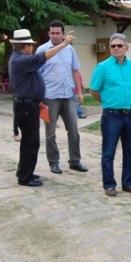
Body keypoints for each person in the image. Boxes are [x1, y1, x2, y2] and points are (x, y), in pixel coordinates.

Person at [9, 28, 75, 187]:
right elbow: (43, 57)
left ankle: (24, 171)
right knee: (31, 143)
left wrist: (38, 100)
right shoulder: (21, 60)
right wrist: (64, 44)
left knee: (29, 142)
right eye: (30, 45)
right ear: (24, 46)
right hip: (26, 106)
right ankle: (25, 177)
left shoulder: (21, 59)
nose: (32, 47)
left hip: (29, 104)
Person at [90, 33, 131, 197]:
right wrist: (108, 102)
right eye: (113, 46)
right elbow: (94, 90)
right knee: (108, 152)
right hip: (112, 115)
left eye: (120, 45)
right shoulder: (102, 67)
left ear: (126, 47)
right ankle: (109, 184)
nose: (116, 48)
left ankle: (128, 183)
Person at [36, 20, 87, 174]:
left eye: (58, 33)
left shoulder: (70, 50)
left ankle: (75, 160)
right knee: (50, 132)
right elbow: (37, 75)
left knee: (74, 130)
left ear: (63, 34)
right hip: (50, 97)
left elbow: (75, 71)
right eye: (53, 33)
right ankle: (53, 162)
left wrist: (79, 92)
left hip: (68, 96)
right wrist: (39, 97)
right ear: (49, 33)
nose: (56, 35)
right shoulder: (42, 50)